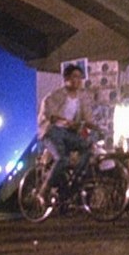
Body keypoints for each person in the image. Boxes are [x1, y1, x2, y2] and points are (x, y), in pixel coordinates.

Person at [36, 65, 101, 202]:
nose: (78, 80)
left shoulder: (82, 98)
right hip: (52, 132)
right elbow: (48, 114)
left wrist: (98, 128)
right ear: (66, 79)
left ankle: (75, 181)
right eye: (74, 77)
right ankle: (44, 190)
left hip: (69, 133)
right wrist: (63, 121)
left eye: (80, 77)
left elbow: (88, 119)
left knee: (88, 147)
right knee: (62, 159)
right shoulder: (55, 95)